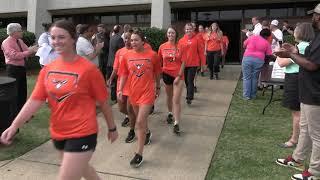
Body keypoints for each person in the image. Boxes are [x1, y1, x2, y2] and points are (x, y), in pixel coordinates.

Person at [0, 20, 118, 180]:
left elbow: (104, 102)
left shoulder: (89, 70)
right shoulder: (48, 69)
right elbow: (34, 101)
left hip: (83, 132)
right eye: (53, 37)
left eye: (61, 37)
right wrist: (14, 126)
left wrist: (112, 128)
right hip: (59, 133)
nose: (56, 41)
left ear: (73, 39)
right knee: (83, 169)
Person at [275, 4, 320, 179]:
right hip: (308, 90)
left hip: (316, 93)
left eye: (315, 15)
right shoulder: (316, 37)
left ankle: (315, 172)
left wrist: (290, 56)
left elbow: (312, 65)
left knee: (317, 134)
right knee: (305, 128)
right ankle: (298, 158)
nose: (313, 18)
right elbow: (310, 58)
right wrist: (294, 50)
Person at [118, 29, 161, 167]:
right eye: (131, 40)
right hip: (133, 93)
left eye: (136, 40)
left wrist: (158, 86)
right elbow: (124, 73)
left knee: (140, 121)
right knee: (141, 122)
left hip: (147, 93)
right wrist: (120, 89)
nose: (133, 42)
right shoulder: (127, 55)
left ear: (143, 41)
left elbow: (157, 72)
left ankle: (139, 154)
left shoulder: (152, 55)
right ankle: (147, 132)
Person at [277, 23, 314, 149]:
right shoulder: (306, 46)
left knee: (297, 113)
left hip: (295, 80)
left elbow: (282, 63)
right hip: (299, 79)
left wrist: (278, 53)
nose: (294, 32)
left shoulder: (302, 47)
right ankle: (301, 137)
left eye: (296, 30)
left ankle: (294, 140)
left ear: (301, 33)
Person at [1, 23, 38, 112]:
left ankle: (22, 112)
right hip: (13, 69)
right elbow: (14, 55)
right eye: (20, 30)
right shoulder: (6, 42)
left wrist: (34, 49)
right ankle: (15, 112)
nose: (22, 32)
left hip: (21, 68)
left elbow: (27, 50)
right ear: (14, 32)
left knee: (22, 91)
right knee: (15, 92)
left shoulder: (20, 41)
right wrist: (29, 52)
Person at [158, 27, 185, 135]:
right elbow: (159, 62)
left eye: (172, 32)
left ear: (176, 34)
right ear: (167, 34)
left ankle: (176, 123)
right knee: (169, 96)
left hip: (178, 76)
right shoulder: (162, 47)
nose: (170, 34)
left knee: (176, 99)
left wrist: (179, 75)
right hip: (166, 74)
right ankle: (170, 113)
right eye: (169, 33)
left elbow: (183, 62)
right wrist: (159, 74)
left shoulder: (181, 46)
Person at [108, 31, 132, 129]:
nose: (127, 40)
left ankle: (132, 123)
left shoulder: (136, 51)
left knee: (130, 106)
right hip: (120, 82)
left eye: (129, 38)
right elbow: (116, 68)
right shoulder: (119, 52)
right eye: (125, 38)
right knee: (121, 107)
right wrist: (111, 78)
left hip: (132, 83)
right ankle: (131, 116)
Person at [178, 23, 205, 105]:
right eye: (187, 29)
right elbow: (179, 53)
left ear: (193, 30)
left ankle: (189, 97)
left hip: (193, 64)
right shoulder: (181, 40)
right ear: (184, 30)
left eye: (190, 29)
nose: (188, 30)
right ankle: (190, 93)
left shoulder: (197, 39)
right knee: (186, 81)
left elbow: (201, 52)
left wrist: (202, 64)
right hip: (184, 64)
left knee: (190, 80)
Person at [242, 29, 272, 100]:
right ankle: (253, 95)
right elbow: (268, 55)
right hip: (259, 60)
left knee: (247, 78)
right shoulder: (266, 43)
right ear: (267, 36)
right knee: (255, 78)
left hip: (247, 58)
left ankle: (246, 96)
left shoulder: (252, 37)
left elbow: (244, 45)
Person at [108, 25, 125, 102]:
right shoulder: (119, 39)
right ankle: (116, 97)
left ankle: (112, 97)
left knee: (113, 82)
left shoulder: (112, 37)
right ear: (120, 30)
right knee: (117, 81)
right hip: (116, 62)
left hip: (110, 61)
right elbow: (122, 50)